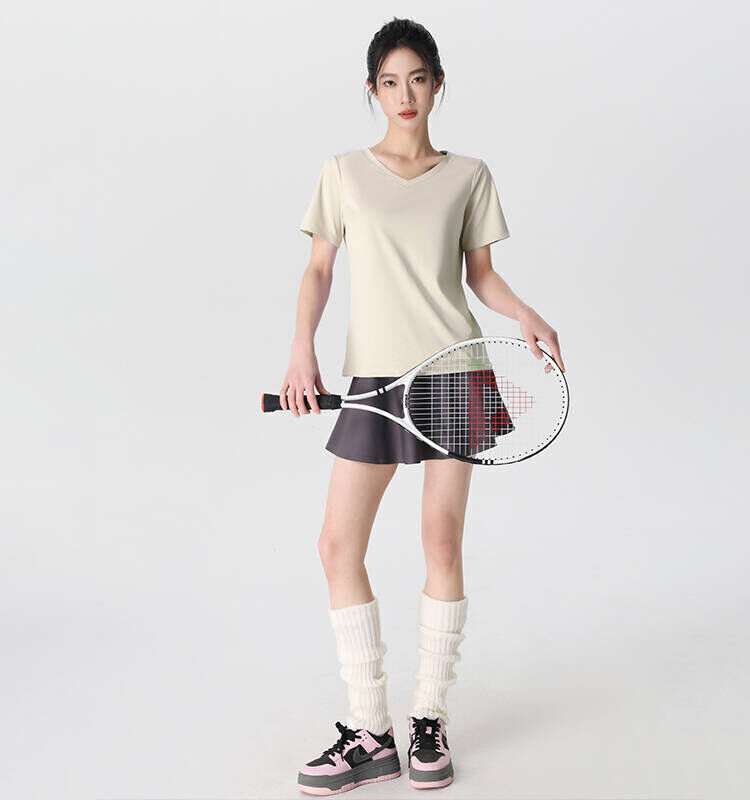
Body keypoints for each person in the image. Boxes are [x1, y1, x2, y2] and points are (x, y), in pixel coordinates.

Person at [282, 18, 565, 795]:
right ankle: (370, 731)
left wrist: (526, 315)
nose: (403, 94)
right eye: (388, 81)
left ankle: (429, 719)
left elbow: (480, 275)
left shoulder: (469, 175)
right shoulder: (343, 172)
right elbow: (318, 270)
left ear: (439, 84)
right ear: (372, 90)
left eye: (417, 78)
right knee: (337, 547)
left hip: (452, 372)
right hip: (375, 379)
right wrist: (302, 349)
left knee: (441, 541)